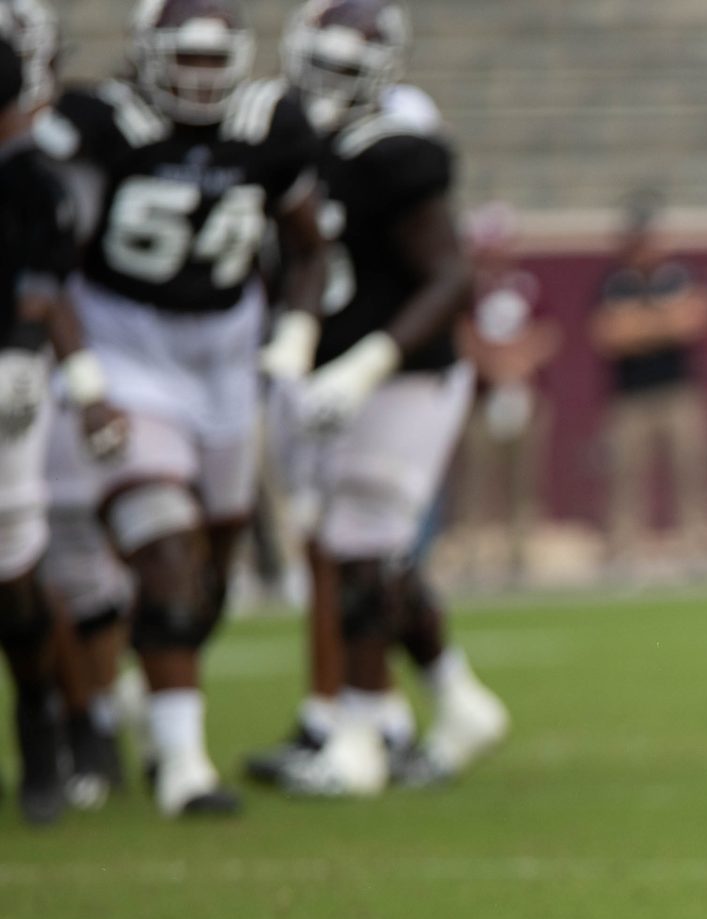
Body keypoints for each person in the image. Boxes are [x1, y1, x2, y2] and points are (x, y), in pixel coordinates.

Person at [34, 0, 328, 817]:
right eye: (183, 60)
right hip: (124, 349)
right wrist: (87, 384)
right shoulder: (101, 126)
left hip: (225, 362)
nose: (199, 79)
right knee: (162, 551)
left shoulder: (272, 125)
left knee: (205, 578)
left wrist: (295, 334)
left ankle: (121, 700)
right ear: (146, 56)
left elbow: (308, 246)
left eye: (213, 61)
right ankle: (184, 767)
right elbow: (42, 255)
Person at [245, 0, 505, 797]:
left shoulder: (397, 147)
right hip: (329, 374)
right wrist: (295, 345)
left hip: (404, 373)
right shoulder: (279, 131)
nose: (331, 86)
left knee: (360, 552)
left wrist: (362, 366)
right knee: (364, 555)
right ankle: (452, 700)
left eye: (350, 70)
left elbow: (451, 275)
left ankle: (359, 733)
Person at [0, 7, 79, 825]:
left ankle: (42, 721)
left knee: (13, 571)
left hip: (5, 379)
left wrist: (26, 351)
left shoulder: (29, 179)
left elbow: (43, 275)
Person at [591, 196, 707, 572]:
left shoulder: (680, 276)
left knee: (692, 471)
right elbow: (609, 335)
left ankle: (700, 546)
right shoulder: (614, 283)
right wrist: (663, 322)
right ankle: (623, 549)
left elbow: (694, 320)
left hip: (678, 390)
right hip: (629, 396)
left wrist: (640, 325)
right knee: (625, 476)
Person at [455, 203, 555, 588]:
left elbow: (548, 332)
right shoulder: (466, 286)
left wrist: (517, 365)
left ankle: (520, 554)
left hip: (525, 394)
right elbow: (461, 333)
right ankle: (473, 556)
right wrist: (493, 367)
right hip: (480, 398)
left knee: (523, 481)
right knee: (477, 480)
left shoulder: (529, 283)